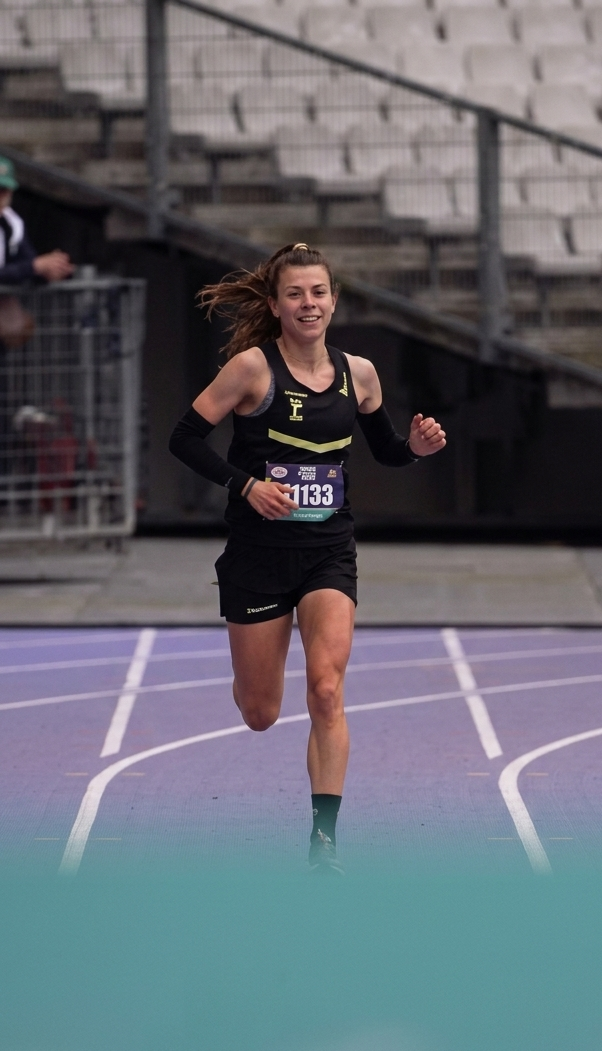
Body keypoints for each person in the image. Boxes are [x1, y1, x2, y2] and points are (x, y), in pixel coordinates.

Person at [169, 242, 446, 873]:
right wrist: (246, 485)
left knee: (325, 688)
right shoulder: (251, 370)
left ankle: (324, 842)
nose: (308, 303)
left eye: (318, 292)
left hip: (328, 553)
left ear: (333, 300)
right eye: (294, 294)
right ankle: (251, 676)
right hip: (258, 556)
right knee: (260, 713)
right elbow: (183, 437)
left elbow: (388, 451)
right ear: (275, 304)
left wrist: (416, 448)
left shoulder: (360, 374)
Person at [0, 157, 73, 286]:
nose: (1, 196)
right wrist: (34, 267)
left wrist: (49, 270)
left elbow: (28, 263)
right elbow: (30, 266)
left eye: (4, 191)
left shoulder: (12, 222)